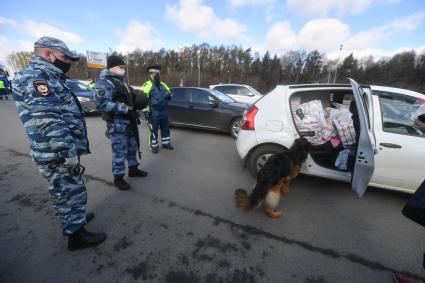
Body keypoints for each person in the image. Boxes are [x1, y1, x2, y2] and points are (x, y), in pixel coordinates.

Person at [11, 36, 106, 251]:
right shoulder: (38, 78)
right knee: (67, 189)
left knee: (69, 188)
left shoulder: (50, 76)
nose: (68, 62)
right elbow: (49, 119)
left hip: (59, 149)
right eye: (64, 57)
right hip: (56, 152)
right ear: (48, 54)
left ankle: (76, 219)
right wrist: (67, 152)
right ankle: (76, 236)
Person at [94, 55, 148, 191]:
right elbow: (102, 103)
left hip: (129, 121)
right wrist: (125, 109)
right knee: (119, 151)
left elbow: (130, 97)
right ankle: (118, 178)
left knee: (132, 146)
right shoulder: (104, 83)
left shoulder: (121, 82)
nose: (123, 70)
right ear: (111, 67)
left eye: (123, 67)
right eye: (121, 67)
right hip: (117, 123)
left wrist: (139, 100)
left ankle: (133, 169)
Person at [141, 65, 174, 153]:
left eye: (158, 73)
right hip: (154, 112)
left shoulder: (163, 84)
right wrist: (146, 111)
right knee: (154, 129)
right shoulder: (147, 85)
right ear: (150, 74)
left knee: (165, 128)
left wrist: (169, 96)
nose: (157, 75)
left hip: (163, 111)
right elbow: (142, 100)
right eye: (155, 73)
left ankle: (166, 143)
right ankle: (154, 146)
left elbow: (170, 92)